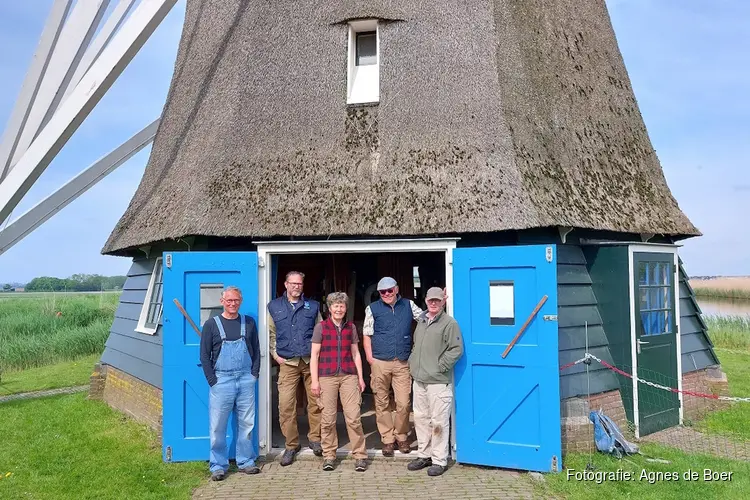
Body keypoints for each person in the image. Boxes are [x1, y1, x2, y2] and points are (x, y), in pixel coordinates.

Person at [199, 286, 261, 481]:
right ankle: (218, 465)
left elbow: (256, 351)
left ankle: (246, 461)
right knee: (218, 425)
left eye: (236, 300)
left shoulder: (248, 322)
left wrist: (254, 375)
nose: (232, 303)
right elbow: (204, 355)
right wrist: (212, 380)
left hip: (245, 379)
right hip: (222, 380)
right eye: (229, 300)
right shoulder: (211, 324)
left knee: (247, 423)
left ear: (240, 301)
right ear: (222, 301)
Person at [362, 277, 424, 456]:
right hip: (380, 361)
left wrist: (440, 303)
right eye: (383, 292)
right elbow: (367, 334)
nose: (387, 294)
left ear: (396, 289)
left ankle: (402, 436)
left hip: (402, 362)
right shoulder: (372, 308)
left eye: (390, 290)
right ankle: (388, 439)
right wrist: (370, 358)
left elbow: (426, 319)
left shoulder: (408, 305)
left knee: (404, 403)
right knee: (381, 403)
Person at [407, 286, 463, 477]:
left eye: (437, 301)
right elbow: (416, 346)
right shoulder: (422, 320)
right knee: (421, 419)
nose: (433, 303)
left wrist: (440, 366)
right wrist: (413, 363)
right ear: (426, 300)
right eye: (431, 300)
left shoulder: (449, 323)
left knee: (438, 421)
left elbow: (456, 349)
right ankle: (424, 455)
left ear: (443, 301)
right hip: (420, 379)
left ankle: (439, 460)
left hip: (438, 381)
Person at [267, 271, 323, 465]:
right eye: (293, 283)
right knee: (286, 406)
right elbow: (270, 333)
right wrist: (275, 355)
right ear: (285, 284)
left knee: (316, 403)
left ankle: (315, 439)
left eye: (299, 284)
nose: (296, 287)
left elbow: (321, 331)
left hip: (310, 363)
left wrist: (318, 356)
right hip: (288, 363)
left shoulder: (313, 306)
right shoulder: (274, 306)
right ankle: (291, 445)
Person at [310, 292, 368, 472]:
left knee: (353, 417)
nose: (339, 309)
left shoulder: (350, 328)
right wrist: (315, 381)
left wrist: (360, 377)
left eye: (342, 306)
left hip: (349, 376)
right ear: (330, 308)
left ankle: (359, 455)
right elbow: (315, 355)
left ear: (345, 308)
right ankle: (329, 455)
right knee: (327, 419)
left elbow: (356, 354)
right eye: (335, 306)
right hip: (326, 376)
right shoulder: (321, 327)